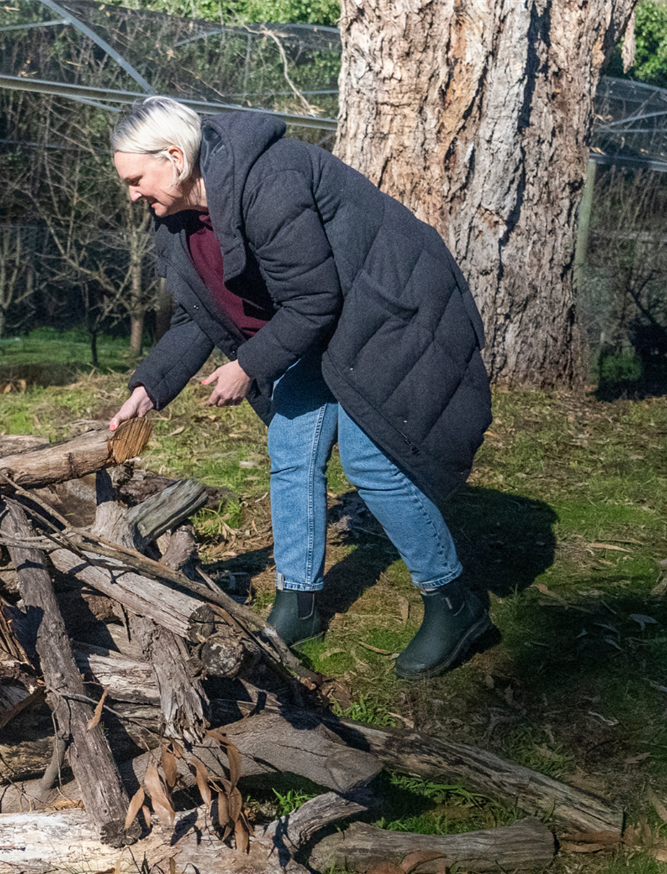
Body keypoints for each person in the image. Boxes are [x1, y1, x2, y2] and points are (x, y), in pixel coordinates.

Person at [105, 96, 494, 680]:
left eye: (136, 180)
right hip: (316, 325)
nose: (133, 195)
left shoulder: (271, 178)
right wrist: (150, 388)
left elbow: (315, 299)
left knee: (372, 462)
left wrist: (247, 365)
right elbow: (197, 316)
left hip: (387, 310)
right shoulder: (177, 221)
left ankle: (454, 601)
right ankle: (299, 603)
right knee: (291, 447)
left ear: (175, 158)